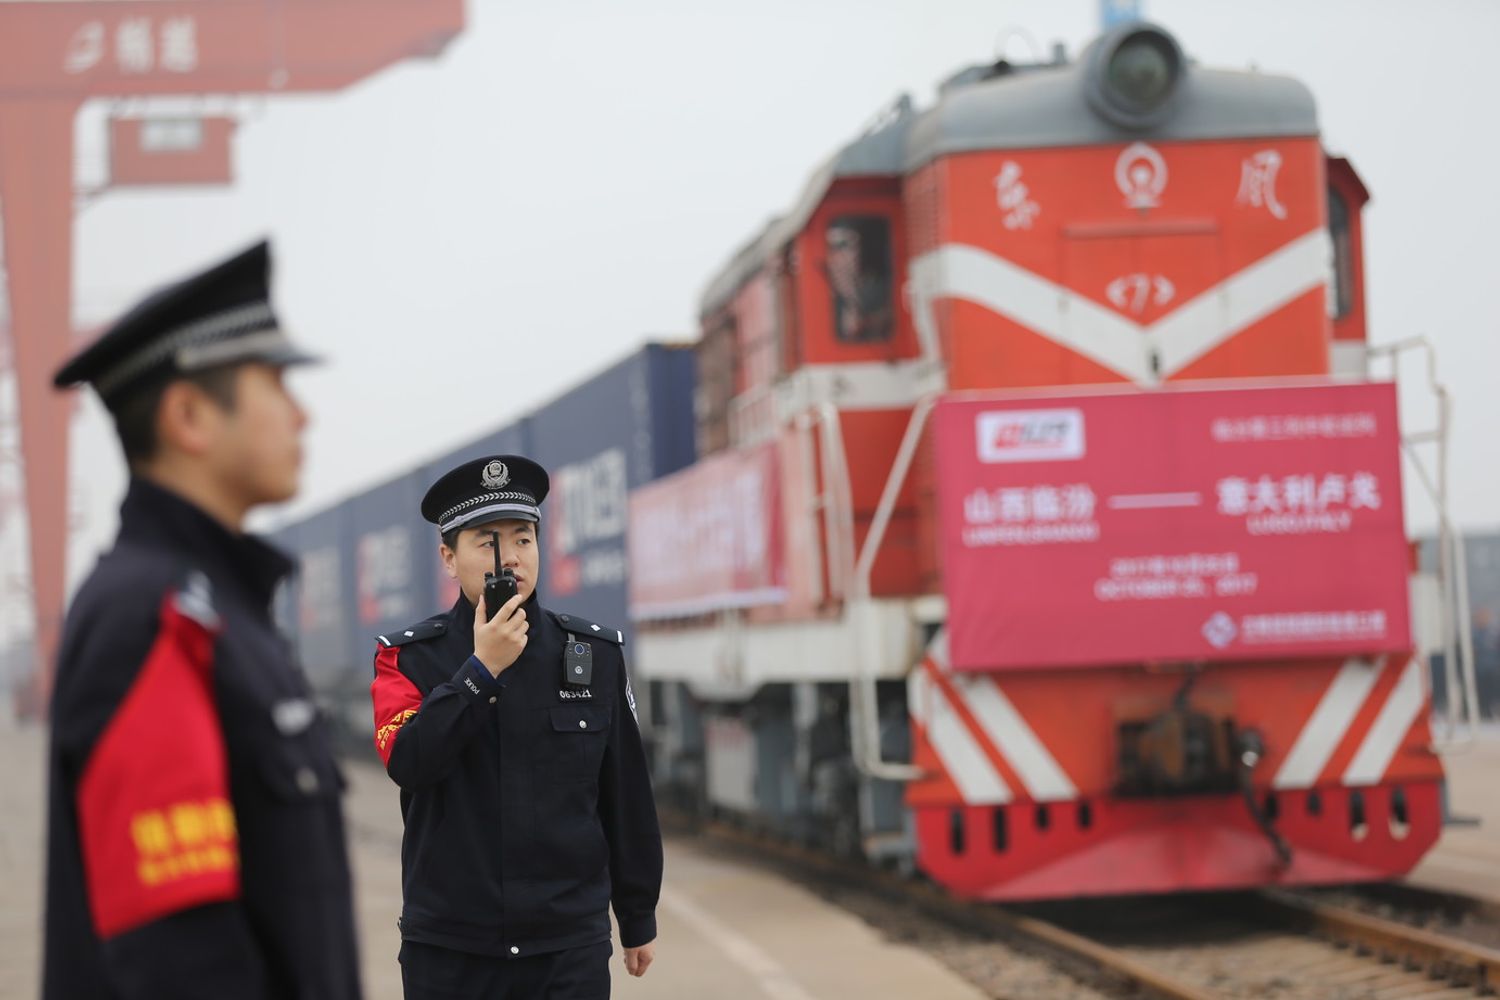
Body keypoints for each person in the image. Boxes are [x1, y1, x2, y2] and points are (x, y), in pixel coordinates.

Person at [43, 241, 362, 999]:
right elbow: (181, 963)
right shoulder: (154, 621)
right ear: (189, 415)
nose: (302, 414)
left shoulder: (223, 613)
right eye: (277, 382)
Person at [370, 455, 662, 999]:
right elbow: (409, 762)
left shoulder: (593, 654)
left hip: (565, 948)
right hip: (452, 949)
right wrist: (480, 673)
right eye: (487, 541)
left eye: (524, 539)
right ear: (448, 559)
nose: (511, 556)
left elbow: (625, 792)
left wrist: (637, 913)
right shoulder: (408, 659)